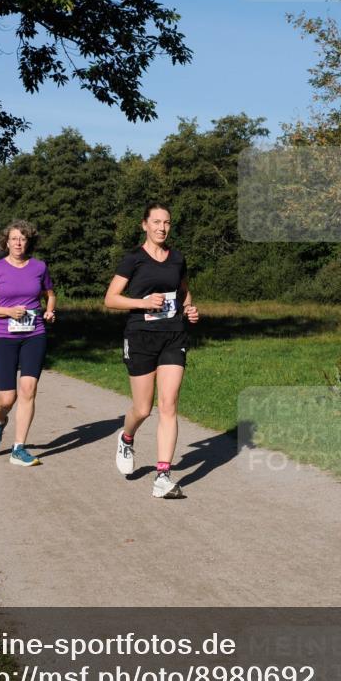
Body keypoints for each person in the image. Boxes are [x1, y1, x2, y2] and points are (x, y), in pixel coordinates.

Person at [104, 203, 199, 499]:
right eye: (156, 222)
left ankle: (163, 476)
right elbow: (111, 298)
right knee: (143, 409)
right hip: (140, 337)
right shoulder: (133, 259)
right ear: (144, 225)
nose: (162, 227)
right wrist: (142, 303)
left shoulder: (177, 258)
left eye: (166, 222)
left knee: (168, 405)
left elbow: (184, 292)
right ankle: (126, 437)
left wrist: (189, 309)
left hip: (173, 335)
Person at [0, 220, 56, 466]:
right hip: (3, 337)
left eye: (22, 238)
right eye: (14, 238)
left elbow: (50, 294)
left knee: (28, 390)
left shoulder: (39, 267)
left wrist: (50, 310)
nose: (18, 243)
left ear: (28, 241)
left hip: (34, 334)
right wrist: (8, 312)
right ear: (7, 242)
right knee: (7, 399)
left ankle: (18, 448)